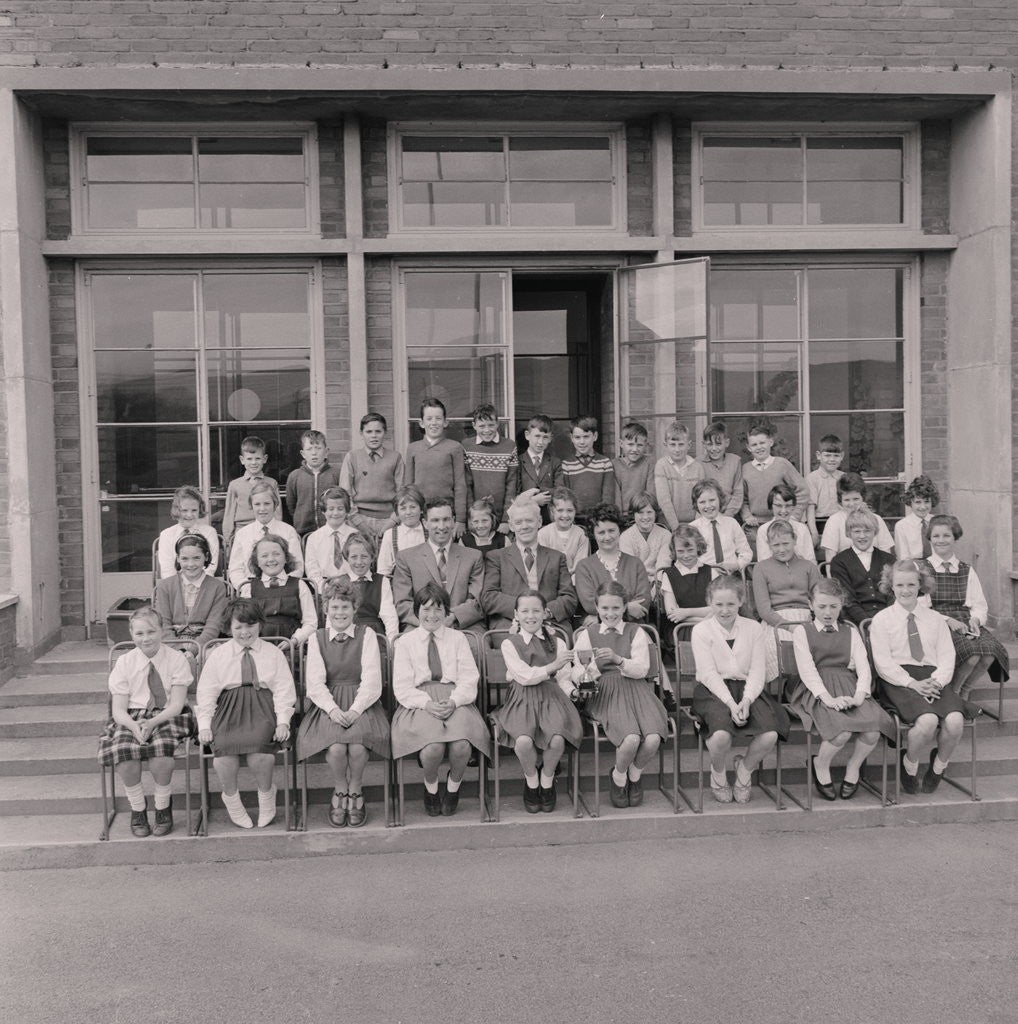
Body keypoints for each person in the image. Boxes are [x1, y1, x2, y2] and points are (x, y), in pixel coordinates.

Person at [390, 582, 492, 817]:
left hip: (455, 697)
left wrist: (455, 701)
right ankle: (431, 788)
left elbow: (469, 678)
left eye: (438, 609)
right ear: (417, 612)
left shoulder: (458, 639)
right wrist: (426, 703)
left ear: (446, 612)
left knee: (462, 745)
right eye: (426, 609)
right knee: (433, 747)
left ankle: (453, 787)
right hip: (420, 701)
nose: (432, 615)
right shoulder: (405, 642)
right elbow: (402, 686)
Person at [869, 559, 970, 795]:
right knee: (927, 722)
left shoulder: (934, 619)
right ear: (891, 586)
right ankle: (910, 763)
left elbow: (947, 656)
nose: (906, 590)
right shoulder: (882, 620)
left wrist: (937, 681)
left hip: (933, 677)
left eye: (911, 585)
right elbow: (882, 663)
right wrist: (912, 683)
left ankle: (938, 766)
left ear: (920, 586)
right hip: (899, 679)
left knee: (955, 721)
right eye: (900, 585)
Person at [789, 578, 895, 800]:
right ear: (811, 605)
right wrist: (828, 699)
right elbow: (808, 671)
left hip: (848, 685)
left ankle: (853, 767)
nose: (828, 612)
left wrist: (859, 696)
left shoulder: (850, 631)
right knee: (841, 731)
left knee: (872, 729)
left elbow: (864, 667)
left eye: (834, 606)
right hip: (817, 688)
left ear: (841, 605)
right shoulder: (803, 632)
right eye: (822, 606)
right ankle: (820, 763)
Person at [296, 579, 390, 828]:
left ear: (354, 609)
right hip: (329, 703)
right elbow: (315, 682)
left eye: (345, 607)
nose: (340, 613)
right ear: (326, 608)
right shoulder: (317, 638)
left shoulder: (366, 634)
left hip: (362, 701)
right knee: (337, 748)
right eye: (335, 607)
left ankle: (356, 789)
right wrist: (334, 710)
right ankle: (340, 789)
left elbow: (371, 679)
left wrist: (356, 709)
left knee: (358, 747)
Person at [195, 599, 296, 829]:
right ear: (229, 628)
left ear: (260, 624)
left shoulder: (273, 654)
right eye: (238, 627)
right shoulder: (219, 655)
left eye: (249, 625)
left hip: (263, 707)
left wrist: (283, 722)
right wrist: (204, 725)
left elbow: (283, 690)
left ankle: (267, 796)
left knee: (261, 753)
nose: (244, 632)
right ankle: (231, 800)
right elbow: (207, 693)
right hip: (229, 709)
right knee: (223, 756)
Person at [97, 607, 196, 837]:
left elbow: (177, 703)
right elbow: (118, 710)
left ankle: (162, 807)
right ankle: (138, 809)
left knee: (161, 753)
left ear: (162, 631)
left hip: (169, 714)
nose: (146, 638)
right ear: (131, 634)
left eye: (151, 631)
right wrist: (134, 726)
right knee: (124, 752)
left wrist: (152, 723)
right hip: (132, 716)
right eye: (139, 633)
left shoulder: (176, 659)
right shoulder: (125, 662)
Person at [690, 575, 790, 804]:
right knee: (721, 736)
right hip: (713, 691)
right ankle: (718, 773)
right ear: (710, 602)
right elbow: (708, 673)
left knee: (770, 734)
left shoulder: (753, 628)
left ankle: (744, 770)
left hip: (748, 689)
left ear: (741, 601)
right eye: (719, 604)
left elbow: (757, 671)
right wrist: (730, 704)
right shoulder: (701, 630)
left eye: (731, 604)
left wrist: (746, 700)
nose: (725, 610)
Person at [571, 581, 667, 809]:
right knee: (631, 738)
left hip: (636, 687)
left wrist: (618, 659)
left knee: (653, 738)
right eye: (604, 608)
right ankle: (618, 777)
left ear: (624, 607)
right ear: (596, 607)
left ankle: (634, 775)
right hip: (606, 689)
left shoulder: (636, 632)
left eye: (616, 608)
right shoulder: (588, 634)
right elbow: (577, 668)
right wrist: (588, 673)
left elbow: (642, 669)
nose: (610, 613)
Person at [492, 590, 583, 813]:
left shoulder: (558, 642)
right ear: (516, 614)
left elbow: (563, 677)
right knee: (523, 741)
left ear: (544, 613)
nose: (530, 616)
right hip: (522, 696)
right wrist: (552, 666)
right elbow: (523, 676)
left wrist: (572, 692)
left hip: (552, 697)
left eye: (536, 610)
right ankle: (531, 781)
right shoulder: (510, 643)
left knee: (557, 739)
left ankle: (547, 779)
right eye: (525, 611)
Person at [923, 514, 1009, 698]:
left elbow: (979, 605)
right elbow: (921, 608)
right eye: (936, 536)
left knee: (990, 651)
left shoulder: (966, 569)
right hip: (937, 622)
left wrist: (976, 619)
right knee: (972, 654)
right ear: (930, 538)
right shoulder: (923, 568)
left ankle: (966, 689)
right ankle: (954, 693)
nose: (941, 540)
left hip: (965, 620)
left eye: (946, 535)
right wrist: (948, 620)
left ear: (955, 537)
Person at [392, 497, 485, 636]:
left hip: (463, 626)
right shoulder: (406, 558)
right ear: (425, 523)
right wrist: (430, 621)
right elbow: (402, 603)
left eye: (446, 519)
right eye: (435, 520)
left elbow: (478, 600)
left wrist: (453, 617)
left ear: (453, 521)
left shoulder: (473, 556)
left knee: (476, 648)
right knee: (412, 648)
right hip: (420, 625)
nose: (441, 526)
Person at [482, 499, 578, 634]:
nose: (524, 526)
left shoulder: (557, 557)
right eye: (518, 522)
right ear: (511, 525)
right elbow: (489, 597)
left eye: (529, 520)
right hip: (509, 626)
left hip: (550, 624)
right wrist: (524, 612)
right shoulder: (496, 558)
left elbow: (569, 598)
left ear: (539, 522)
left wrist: (545, 612)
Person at [752, 518, 821, 676]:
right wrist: (788, 626)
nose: (781, 549)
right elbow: (764, 609)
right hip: (776, 620)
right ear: (769, 545)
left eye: (786, 543)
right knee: (781, 646)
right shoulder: (761, 568)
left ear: (795, 540)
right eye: (776, 545)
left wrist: (811, 624)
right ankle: (787, 691)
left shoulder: (809, 567)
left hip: (806, 617)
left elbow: (817, 600)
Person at [574, 504, 651, 623]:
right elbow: (589, 604)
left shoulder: (636, 563)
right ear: (593, 534)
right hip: (598, 630)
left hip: (633, 627)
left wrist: (599, 618)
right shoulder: (584, 567)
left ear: (619, 530)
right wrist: (628, 608)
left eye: (611, 530)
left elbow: (643, 602)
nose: (607, 537)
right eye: (601, 532)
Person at [405, 396, 468, 536]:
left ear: (445, 422)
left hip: (445, 513)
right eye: (429, 419)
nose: (434, 423)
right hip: (420, 514)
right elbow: (408, 487)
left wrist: (461, 519)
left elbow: (460, 485)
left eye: (438, 418)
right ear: (421, 423)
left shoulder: (455, 447)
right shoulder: (413, 448)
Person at [238, 535, 317, 645]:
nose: (271, 559)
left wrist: (294, 641)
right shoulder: (249, 588)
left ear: (286, 558)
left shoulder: (300, 585)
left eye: (276, 554)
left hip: (293, 649)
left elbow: (311, 623)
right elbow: (244, 623)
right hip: (259, 646)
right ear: (257, 561)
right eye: (264, 556)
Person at [153, 534, 228, 647]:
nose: (191, 564)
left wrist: (193, 651)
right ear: (178, 558)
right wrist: (178, 650)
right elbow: (163, 624)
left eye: (197, 558)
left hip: (205, 645)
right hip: (170, 645)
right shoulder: (165, 586)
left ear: (206, 557)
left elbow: (213, 626)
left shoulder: (217, 587)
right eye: (185, 559)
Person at [740, 419, 809, 540]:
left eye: (762, 443)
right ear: (748, 447)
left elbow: (802, 491)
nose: (759, 447)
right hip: (756, 525)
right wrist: (747, 516)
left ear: (770, 442)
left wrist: (793, 516)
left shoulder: (782, 464)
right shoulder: (745, 469)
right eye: (754, 445)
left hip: (783, 521)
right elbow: (742, 498)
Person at [227, 479, 303, 590]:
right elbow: (235, 569)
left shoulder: (288, 531)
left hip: (284, 588)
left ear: (275, 504)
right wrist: (246, 588)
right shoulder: (242, 534)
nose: (262, 509)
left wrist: (286, 587)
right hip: (251, 588)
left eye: (267, 503)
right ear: (251, 506)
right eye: (257, 504)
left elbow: (297, 566)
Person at [341, 412, 405, 543]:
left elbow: (403, 494)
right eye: (369, 431)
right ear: (361, 433)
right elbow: (345, 494)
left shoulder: (395, 457)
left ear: (385, 432)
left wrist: (392, 521)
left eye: (378, 431)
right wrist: (359, 523)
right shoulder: (352, 457)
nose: (374, 436)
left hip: (390, 520)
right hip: (358, 519)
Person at [829, 509, 895, 625]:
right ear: (849, 533)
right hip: (854, 620)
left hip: (888, 618)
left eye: (867, 531)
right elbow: (847, 599)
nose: (862, 536)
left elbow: (893, 595)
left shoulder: (888, 559)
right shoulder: (839, 562)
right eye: (857, 531)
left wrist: (887, 619)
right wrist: (867, 623)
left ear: (875, 532)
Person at [336, 532, 399, 645]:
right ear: (347, 558)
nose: (359, 562)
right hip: (347, 634)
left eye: (364, 556)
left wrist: (391, 645)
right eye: (354, 557)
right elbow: (333, 618)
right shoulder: (340, 582)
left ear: (372, 557)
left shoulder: (381, 581)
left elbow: (390, 617)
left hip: (374, 636)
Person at [820, 472, 894, 563]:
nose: (852, 504)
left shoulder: (876, 519)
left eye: (856, 499)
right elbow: (830, 558)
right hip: (845, 572)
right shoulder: (834, 521)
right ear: (840, 500)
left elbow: (886, 552)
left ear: (863, 497)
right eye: (847, 500)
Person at [463, 403, 518, 527]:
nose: (487, 430)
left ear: (497, 424)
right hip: (477, 519)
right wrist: (471, 516)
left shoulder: (509, 446)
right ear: (474, 426)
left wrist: (506, 519)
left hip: (501, 518)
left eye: (491, 425)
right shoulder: (466, 446)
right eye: (482, 426)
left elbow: (511, 485)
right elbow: (467, 484)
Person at [560, 414, 615, 529]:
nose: (582, 442)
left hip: (599, 521)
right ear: (571, 438)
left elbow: (608, 496)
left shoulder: (604, 463)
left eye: (586, 437)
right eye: (577, 437)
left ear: (595, 436)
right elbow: (566, 496)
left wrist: (601, 519)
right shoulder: (567, 465)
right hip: (574, 521)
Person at [285, 428, 342, 537]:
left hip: (331, 530)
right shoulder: (295, 476)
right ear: (303, 453)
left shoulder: (336, 474)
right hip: (303, 532)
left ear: (326, 452)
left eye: (318, 448)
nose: (314, 453)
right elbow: (291, 505)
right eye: (309, 449)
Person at [661, 524, 713, 642]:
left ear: (698, 547)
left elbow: (717, 607)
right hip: (682, 628)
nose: (686, 555)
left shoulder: (711, 571)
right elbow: (672, 613)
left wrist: (686, 612)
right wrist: (704, 620)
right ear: (674, 550)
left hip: (710, 624)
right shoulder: (669, 574)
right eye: (680, 551)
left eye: (690, 550)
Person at [155, 484, 220, 581]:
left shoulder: (209, 532)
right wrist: (178, 589)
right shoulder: (166, 535)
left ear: (199, 510)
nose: (189, 515)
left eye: (194, 510)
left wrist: (197, 586)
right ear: (177, 510)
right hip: (174, 587)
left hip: (204, 585)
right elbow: (167, 570)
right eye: (184, 510)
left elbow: (210, 567)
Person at [689, 479, 751, 577]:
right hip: (704, 576)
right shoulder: (692, 528)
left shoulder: (731, 523)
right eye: (702, 502)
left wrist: (737, 565)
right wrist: (709, 570)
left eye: (712, 500)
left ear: (720, 499)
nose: (708, 506)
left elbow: (746, 552)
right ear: (696, 504)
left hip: (732, 574)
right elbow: (689, 559)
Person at [654, 420, 706, 531]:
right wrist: (676, 528)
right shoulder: (662, 465)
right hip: (668, 526)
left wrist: (696, 526)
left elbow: (701, 499)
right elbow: (664, 501)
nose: (677, 449)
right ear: (665, 445)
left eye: (681, 444)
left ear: (689, 445)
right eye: (672, 445)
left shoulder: (698, 468)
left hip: (695, 525)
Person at [304, 486, 358, 591]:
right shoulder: (314, 538)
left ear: (347, 511)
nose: (335, 513)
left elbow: (360, 566)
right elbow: (312, 570)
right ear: (324, 511)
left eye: (340, 508)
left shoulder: (355, 535)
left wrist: (351, 587)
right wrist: (324, 589)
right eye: (331, 509)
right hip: (324, 587)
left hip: (351, 587)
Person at [221, 435, 272, 544]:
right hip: (242, 531)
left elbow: (277, 512)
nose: (253, 463)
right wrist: (228, 540)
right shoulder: (235, 485)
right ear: (242, 460)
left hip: (266, 530)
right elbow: (229, 513)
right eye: (249, 459)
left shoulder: (271, 483)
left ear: (264, 459)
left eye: (257, 458)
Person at [515, 413, 563, 526]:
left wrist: (536, 491)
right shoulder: (518, 462)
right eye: (537, 436)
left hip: (549, 521)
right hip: (525, 519)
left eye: (545, 437)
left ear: (550, 438)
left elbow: (560, 491)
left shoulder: (555, 462)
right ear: (527, 435)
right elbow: (514, 494)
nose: (540, 442)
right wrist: (533, 501)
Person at [536, 486, 589, 580]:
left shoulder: (580, 534)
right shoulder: (543, 534)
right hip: (549, 579)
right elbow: (543, 564)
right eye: (560, 510)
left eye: (569, 510)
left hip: (573, 579)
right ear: (552, 511)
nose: (565, 515)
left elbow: (580, 563)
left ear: (575, 511)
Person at [755, 484, 816, 563]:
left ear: (793, 507)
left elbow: (810, 560)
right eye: (778, 505)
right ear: (771, 506)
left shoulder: (802, 529)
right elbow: (764, 562)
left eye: (788, 506)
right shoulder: (763, 530)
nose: (783, 511)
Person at [375, 485, 427, 578]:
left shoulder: (430, 532)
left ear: (421, 509)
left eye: (413, 507)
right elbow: (383, 570)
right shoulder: (390, 535)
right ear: (397, 513)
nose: (408, 512)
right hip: (400, 586)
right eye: (403, 508)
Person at [619, 491, 672, 582]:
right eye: (640, 512)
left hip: (659, 582)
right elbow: (630, 569)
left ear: (655, 513)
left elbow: (663, 566)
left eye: (649, 512)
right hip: (634, 582)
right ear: (633, 514)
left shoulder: (666, 535)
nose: (645, 517)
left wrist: (656, 583)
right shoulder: (625, 537)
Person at [698, 420, 743, 519]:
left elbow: (738, 493)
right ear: (704, 444)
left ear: (726, 443)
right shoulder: (698, 463)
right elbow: (697, 495)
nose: (714, 448)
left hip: (730, 516)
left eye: (718, 444)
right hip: (705, 516)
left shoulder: (735, 461)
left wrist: (727, 516)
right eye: (709, 444)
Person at [805, 434, 845, 547]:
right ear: (819, 455)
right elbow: (810, 508)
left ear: (842, 456)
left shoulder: (844, 477)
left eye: (836, 455)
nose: (832, 459)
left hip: (842, 521)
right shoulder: (812, 478)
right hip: (820, 522)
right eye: (827, 455)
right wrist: (814, 532)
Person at [893, 474, 939, 559]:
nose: (923, 507)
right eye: (918, 502)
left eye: (926, 502)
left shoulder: (937, 522)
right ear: (910, 502)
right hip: (913, 569)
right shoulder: (902, 526)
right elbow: (903, 558)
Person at [612, 420, 653, 514]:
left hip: (643, 514)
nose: (635, 449)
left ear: (646, 445)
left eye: (639, 445)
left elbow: (650, 494)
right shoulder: (614, 465)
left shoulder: (649, 464)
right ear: (621, 444)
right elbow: (616, 497)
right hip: (622, 516)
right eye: (630, 444)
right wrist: (619, 516)